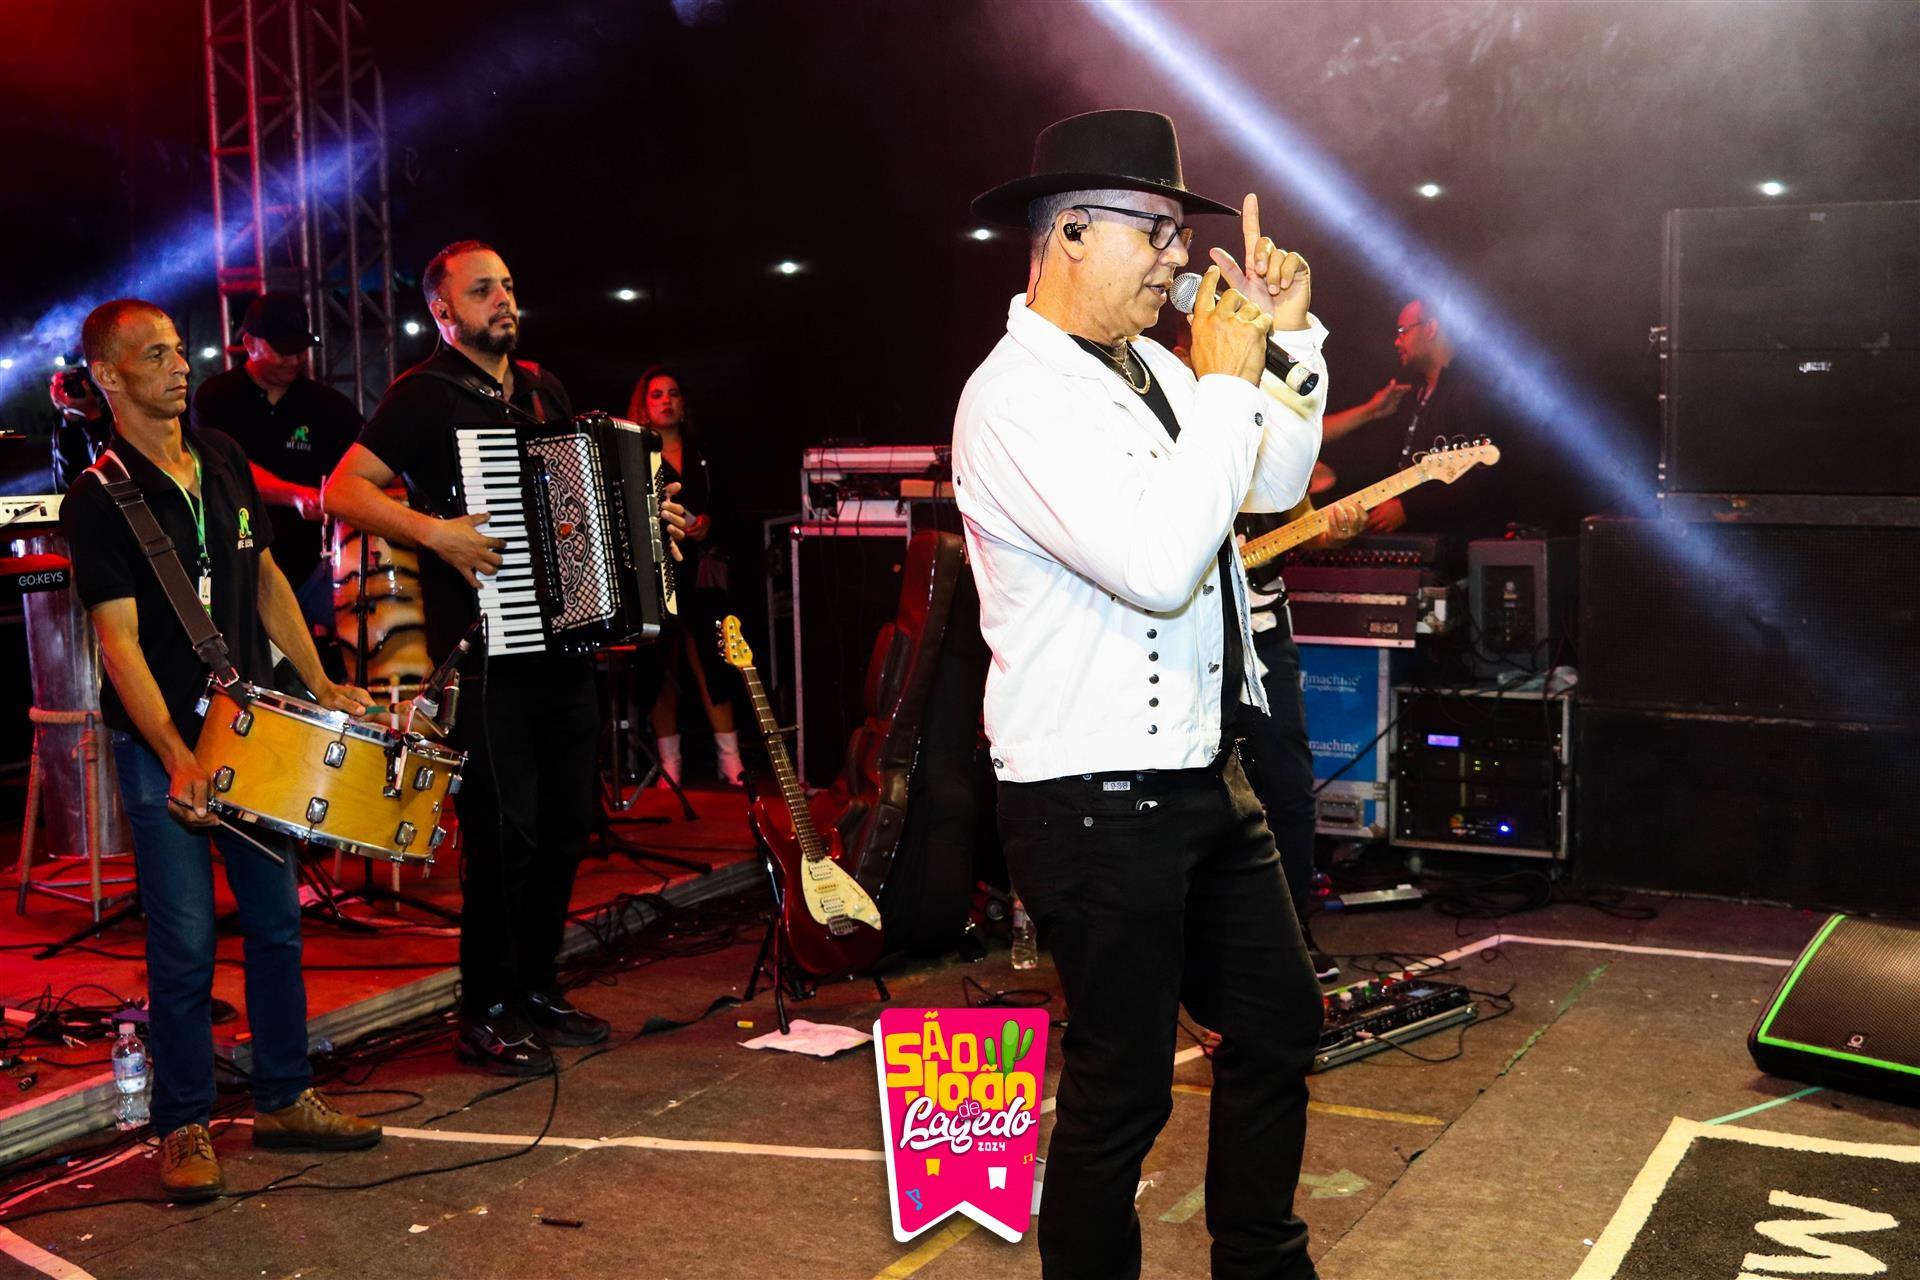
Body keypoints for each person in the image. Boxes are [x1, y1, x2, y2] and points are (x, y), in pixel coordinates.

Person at [953, 109, 1326, 1280]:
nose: (1178, 258)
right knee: (1123, 1088)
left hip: (1202, 773)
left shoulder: (1159, 368)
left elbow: (1268, 479)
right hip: (1091, 796)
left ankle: (1261, 1264)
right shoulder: (1013, 397)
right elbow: (1160, 564)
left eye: (1178, 233)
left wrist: (1283, 336)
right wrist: (1225, 385)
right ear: (1069, 232)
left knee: (1278, 1023)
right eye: (1155, 231)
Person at [326, 241, 684, 1076]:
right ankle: (484, 1009)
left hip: (563, 649)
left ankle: (536, 988)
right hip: (487, 656)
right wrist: (437, 533)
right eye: (483, 289)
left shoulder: (541, 388)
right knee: (502, 839)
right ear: (442, 310)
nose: (503, 299)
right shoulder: (423, 395)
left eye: (509, 286)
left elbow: (584, 502)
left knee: (562, 833)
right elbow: (341, 490)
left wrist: (647, 523)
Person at [62, 298, 382, 1201]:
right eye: (155, 355)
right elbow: (119, 645)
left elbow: (267, 576)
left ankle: (283, 1096)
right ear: (108, 377)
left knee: (276, 924)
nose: (180, 366)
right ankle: (183, 1123)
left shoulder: (224, 457)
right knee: (186, 945)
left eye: (178, 350)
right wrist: (175, 755)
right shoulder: (99, 496)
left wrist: (320, 683)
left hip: (253, 729)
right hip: (164, 745)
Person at [192, 293, 362, 635]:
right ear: (249, 344)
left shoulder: (330, 405)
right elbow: (224, 469)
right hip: (241, 566)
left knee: (364, 632)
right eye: (283, 350)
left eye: (301, 349)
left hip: (316, 567)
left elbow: (364, 465)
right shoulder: (215, 397)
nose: (295, 359)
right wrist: (296, 496)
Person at [625, 365, 744, 787]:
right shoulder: (636, 453)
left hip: (701, 574)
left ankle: (731, 761)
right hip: (657, 574)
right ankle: (669, 765)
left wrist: (709, 522)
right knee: (660, 669)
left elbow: (729, 504)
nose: (666, 401)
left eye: (673, 393)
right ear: (644, 404)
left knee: (715, 662)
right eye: (657, 394)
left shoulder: (702, 452)